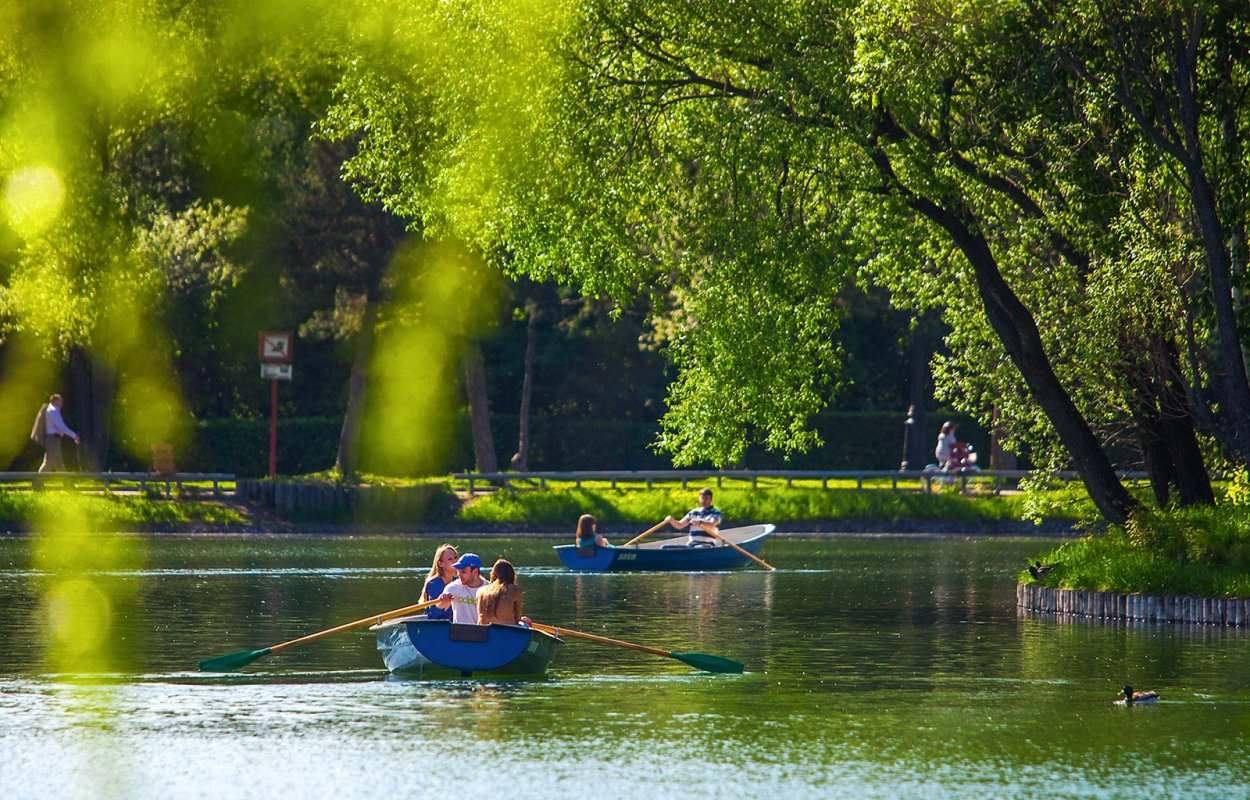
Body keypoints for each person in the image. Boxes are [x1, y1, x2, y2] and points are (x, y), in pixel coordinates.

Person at [476, 559, 531, 627]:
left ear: (493, 574)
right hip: (506, 632)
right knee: (526, 624)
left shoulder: (481, 591)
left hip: (484, 633)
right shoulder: (515, 589)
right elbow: (517, 618)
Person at [33, 394, 80, 473]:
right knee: (49, 462)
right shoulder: (53, 411)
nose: (62, 403)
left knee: (59, 463)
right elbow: (61, 426)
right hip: (53, 439)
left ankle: (67, 483)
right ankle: (37, 481)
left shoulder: (52, 410)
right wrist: (74, 435)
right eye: (60, 401)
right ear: (55, 401)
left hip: (54, 439)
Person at [436, 552, 488, 624]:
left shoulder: (489, 589)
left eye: (463, 572)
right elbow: (440, 605)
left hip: (482, 632)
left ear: (475, 572)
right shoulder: (455, 587)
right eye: (458, 571)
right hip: (459, 631)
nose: (459, 575)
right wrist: (443, 599)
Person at [421, 543, 458, 621]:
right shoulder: (433, 583)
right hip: (438, 625)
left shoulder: (458, 582)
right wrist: (443, 602)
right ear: (440, 563)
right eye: (449, 559)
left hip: (455, 624)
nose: (455, 561)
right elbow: (434, 612)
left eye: (455, 558)